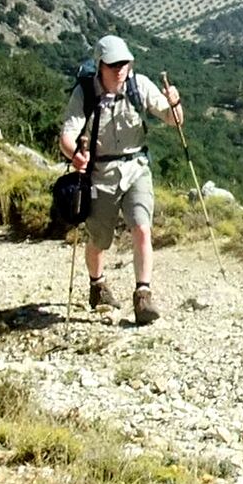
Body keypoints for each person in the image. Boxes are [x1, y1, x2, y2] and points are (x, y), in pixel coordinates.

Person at [59, 34, 185, 325]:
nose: (120, 69)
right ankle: (97, 284)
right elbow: (68, 134)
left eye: (124, 63)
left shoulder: (139, 85)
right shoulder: (85, 94)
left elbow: (173, 119)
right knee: (99, 239)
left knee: (141, 227)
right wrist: (75, 155)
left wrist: (175, 103)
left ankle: (143, 294)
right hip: (100, 175)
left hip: (136, 167)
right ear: (100, 65)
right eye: (113, 64)